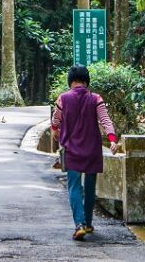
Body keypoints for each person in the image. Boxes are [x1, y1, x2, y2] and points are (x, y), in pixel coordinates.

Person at [51, 64, 118, 241]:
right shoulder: (96, 98)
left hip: (72, 150)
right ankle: (88, 224)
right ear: (86, 81)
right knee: (89, 188)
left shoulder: (63, 99)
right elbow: (105, 120)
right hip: (92, 150)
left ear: (70, 81)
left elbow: (55, 121)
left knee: (74, 187)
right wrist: (112, 140)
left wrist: (55, 131)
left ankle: (79, 225)